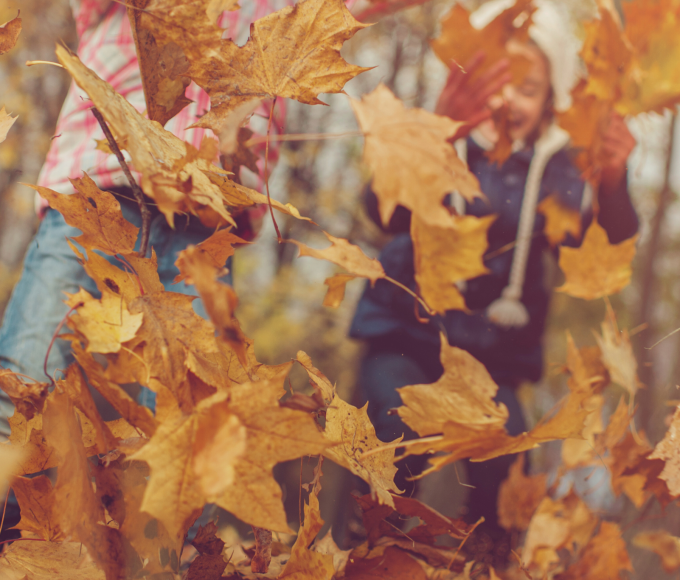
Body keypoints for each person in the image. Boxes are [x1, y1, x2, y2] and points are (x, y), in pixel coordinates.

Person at [348, 0, 638, 540]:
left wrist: (614, 181)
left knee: (508, 478)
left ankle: (488, 561)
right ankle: (368, 555)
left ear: (551, 98)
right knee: (387, 440)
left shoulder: (559, 172)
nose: (508, 101)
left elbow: (605, 238)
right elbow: (381, 208)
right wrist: (442, 133)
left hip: (494, 364)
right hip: (403, 339)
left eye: (528, 89)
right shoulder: (438, 137)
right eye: (496, 84)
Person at [0, 0, 284, 542]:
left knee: (192, 421)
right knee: (27, 384)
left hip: (206, 228)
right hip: (102, 194)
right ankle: (16, 546)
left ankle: (164, 562)